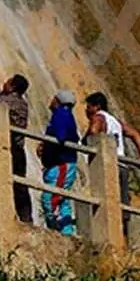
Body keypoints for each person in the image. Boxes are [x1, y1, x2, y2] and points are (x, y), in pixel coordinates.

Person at [83, 92, 140, 236]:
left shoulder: (98, 117)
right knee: (122, 203)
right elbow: (135, 134)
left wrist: (86, 138)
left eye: (88, 106)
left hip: (108, 164)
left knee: (104, 201)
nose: (86, 110)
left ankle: (106, 236)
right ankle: (124, 237)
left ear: (96, 106)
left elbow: (94, 132)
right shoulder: (115, 121)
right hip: (122, 165)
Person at [0, 71, 33, 223]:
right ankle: (26, 218)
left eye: (7, 82)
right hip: (19, 150)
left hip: (7, 148)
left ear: (12, 87)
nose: (4, 83)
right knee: (20, 185)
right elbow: (2, 97)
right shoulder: (21, 102)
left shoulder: (5, 101)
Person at [37, 90, 80, 236]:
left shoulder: (61, 114)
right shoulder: (66, 115)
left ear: (57, 101)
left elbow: (60, 137)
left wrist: (47, 149)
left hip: (61, 163)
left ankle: (55, 232)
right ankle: (67, 232)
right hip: (64, 163)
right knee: (62, 199)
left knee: (50, 198)